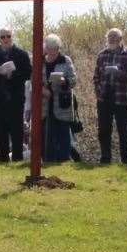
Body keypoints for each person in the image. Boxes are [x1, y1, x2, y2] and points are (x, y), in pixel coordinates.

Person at [94, 29, 127, 165]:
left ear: (120, 39)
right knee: (104, 129)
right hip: (104, 97)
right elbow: (96, 76)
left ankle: (126, 159)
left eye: (114, 37)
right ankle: (105, 158)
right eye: (109, 37)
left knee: (123, 129)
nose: (112, 39)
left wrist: (121, 74)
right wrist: (97, 91)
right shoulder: (102, 55)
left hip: (122, 97)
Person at [0, 28, 31, 163]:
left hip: (15, 98)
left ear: (12, 36)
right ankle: (3, 158)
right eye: (2, 37)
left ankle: (17, 158)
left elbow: (28, 73)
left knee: (17, 130)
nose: (5, 39)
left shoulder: (21, 54)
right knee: (0, 130)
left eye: (8, 36)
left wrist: (13, 74)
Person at [41, 35, 82, 164]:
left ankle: (64, 160)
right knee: (47, 134)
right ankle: (48, 160)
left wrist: (64, 81)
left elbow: (74, 80)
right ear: (46, 48)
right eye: (50, 48)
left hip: (62, 103)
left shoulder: (66, 60)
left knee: (63, 134)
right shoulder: (40, 61)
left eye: (55, 48)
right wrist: (43, 90)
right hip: (45, 104)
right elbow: (34, 80)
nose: (53, 51)